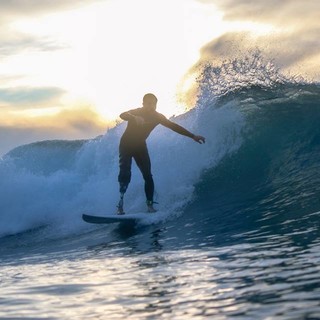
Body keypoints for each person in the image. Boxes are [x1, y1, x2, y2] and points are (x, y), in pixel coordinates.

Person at [117, 93, 205, 214]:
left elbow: (173, 126)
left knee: (148, 175)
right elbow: (123, 115)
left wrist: (193, 136)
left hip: (140, 146)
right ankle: (120, 205)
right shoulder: (136, 112)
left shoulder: (157, 117)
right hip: (126, 144)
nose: (151, 106)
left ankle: (150, 205)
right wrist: (133, 117)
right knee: (125, 172)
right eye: (148, 104)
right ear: (143, 104)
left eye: (154, 104)